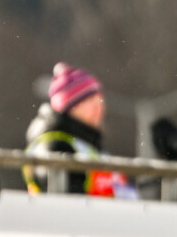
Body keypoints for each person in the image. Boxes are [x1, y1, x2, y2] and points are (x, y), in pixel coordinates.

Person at [22, 62, 135, 197]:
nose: (98, 108)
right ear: (70, 106)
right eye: (90, 101)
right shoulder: (55, 145)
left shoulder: (87, 145)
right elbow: (67, 204)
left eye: (100, 101)